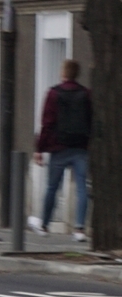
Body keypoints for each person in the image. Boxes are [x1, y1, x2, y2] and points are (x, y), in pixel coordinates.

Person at [31, 59, 92, 242]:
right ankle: (79, 229)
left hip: (59, 147)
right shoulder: (86, 94)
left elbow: (47, 123)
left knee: (52, 187)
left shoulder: (53, 93)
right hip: (80, 147)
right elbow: (91, 120)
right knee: (82, 188)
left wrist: (39, 149)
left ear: (63, 73)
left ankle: (44, 225)